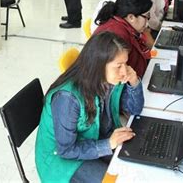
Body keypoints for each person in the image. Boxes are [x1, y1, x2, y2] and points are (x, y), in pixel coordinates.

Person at [35, 31, 144, 183]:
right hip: (62, 160)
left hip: (93, 139)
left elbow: (135, 111)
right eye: (118, 66)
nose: (124, 71)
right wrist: (108, 144)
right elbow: (65, 150)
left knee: (137, 165)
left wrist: (134, 82)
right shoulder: (67, 99)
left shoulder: (109, 81)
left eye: (125, 63)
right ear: (98, 65)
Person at [94, 0, 152, 77]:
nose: (147, 23)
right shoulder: (118, 36)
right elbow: (117, 77)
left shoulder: (125, 27)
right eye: (146, 16)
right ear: (131, 17)